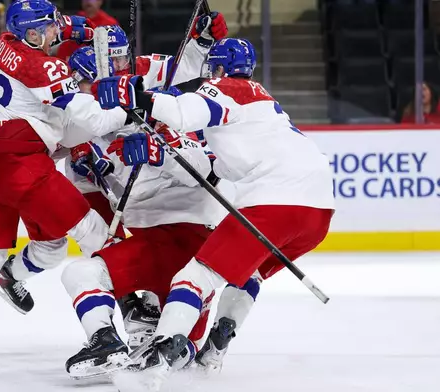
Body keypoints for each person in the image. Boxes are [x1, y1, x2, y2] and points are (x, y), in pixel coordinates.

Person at [96, 38, 335, 390]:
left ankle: (158, 355)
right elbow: (220, 166)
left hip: (275, 201)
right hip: (318, 211)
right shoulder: (264, 104)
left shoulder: (227, 88)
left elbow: (180, 112)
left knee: (193, 276)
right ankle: (215, 346)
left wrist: (136, 96)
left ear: (217, 69)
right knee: (247, 273)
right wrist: (166, 151)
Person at [0, 0, 132, 373]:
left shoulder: (7, 43)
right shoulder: (43, 65)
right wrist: (126, 107)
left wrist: (85, 29)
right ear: (33, 33)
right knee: (93, 232)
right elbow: (86, 113)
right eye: (49, 30)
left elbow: (58, 27)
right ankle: (123, 320)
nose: (56, 34)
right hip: (21, 165)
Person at [57, 46, 222, 379]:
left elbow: (206, 168)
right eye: (79, 87)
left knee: (180, 343)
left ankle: (160, 334)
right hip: (151, 246)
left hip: (190, 244)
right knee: (79, 274)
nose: (85, 94)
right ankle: (107, 342)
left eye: (89, 85)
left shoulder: (154, 112)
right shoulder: (83, 142)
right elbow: (100, 220)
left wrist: (160, 150)